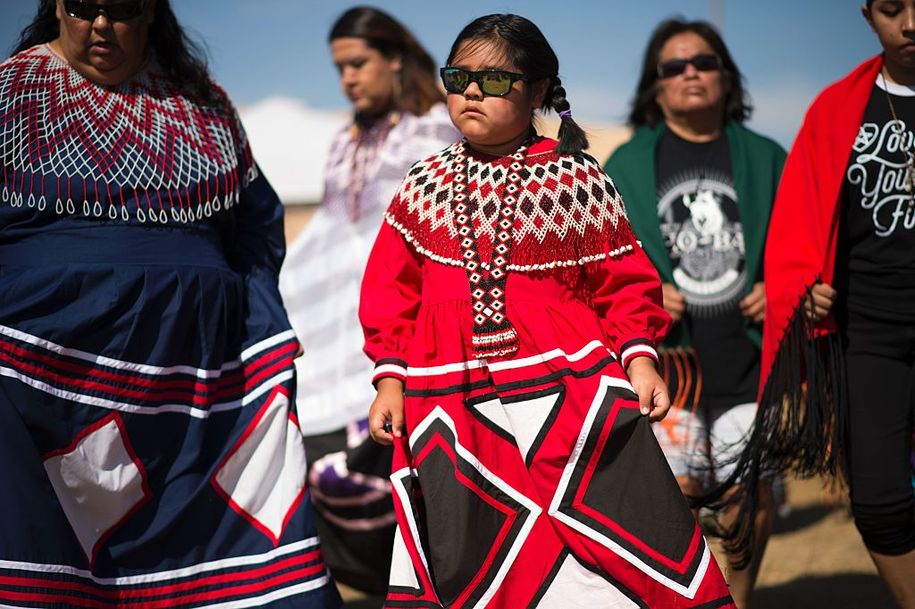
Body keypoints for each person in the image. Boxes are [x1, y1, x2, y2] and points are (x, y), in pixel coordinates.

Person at [359, 13, 736, 608]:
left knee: (614, 545)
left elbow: (624, 284)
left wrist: (640, 360)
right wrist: (389, 379)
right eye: (458, 78)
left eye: (496, 80)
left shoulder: (576, 177)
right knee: (477, 557)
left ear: (537, 91)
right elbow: (391, 292)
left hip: (571, 399)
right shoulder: (422, 182)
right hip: (451, 407)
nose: (473, 92)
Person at [0, 1, 341, 607]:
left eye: (122, 8)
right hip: (43, 374)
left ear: (151, 11)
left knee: (238, 555)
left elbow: (256, 227)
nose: (101, 24)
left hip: (203, 381)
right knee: (51, 557)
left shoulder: (202, 104)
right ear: (57, 6)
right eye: (83, 7)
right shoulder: (9, 97)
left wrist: (258, 319)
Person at [722, 1, 915, 607]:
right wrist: (808, 286)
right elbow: (799, 227)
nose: (910, 23)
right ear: (867, 17)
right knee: (879, 500)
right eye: (892, 8)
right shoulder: (836, 109)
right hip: (871, 333)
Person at [603, 19, 786, 609]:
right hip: (666, 367)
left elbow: (803, 244)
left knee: (748, 499)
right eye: (673, 67)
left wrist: (781, 286)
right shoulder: (625, 166)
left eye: (703, 62)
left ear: (726, 75)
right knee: (674, 495)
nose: (690, 74)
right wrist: (647, 289)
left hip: (749, 361)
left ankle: (739, 601)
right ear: (653, 87)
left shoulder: (765, 157)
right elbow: (600, 263)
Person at [278, 6, 458, 595]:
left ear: (395, 59)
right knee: (329, 484)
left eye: (358, 64)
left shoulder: (434, 129)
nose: (348, 79)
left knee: (411, 492)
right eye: (339, 69)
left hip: (403, 335)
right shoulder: (342, 140)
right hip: (332, 345)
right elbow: (332, 233)